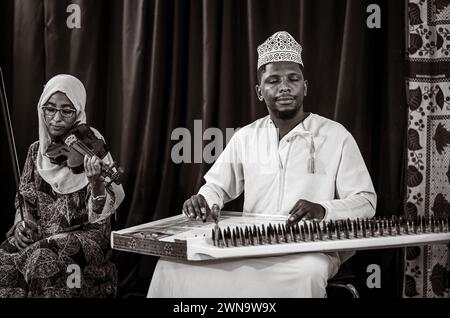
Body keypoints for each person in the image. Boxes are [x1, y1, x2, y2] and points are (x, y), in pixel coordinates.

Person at [147, 31, 376, 298]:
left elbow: (366, 201)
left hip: (311, 248)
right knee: (172, 266)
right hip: (251, 243)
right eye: (273, 80)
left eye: (293, 79)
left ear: (305, 86)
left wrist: (323, 210)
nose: (284, 87)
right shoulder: (246, 136)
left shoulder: (335, 135)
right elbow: (217, 187)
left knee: (307, 275)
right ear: (259, 91)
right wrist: (203, 200)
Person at [0, 74, 124, 297]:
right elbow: (25, 200)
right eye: (50, 109)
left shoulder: (92, 144)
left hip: (87, 239)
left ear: (78, 111)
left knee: (42, 255)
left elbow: (100, 215)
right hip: (44, 236)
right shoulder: (36, 150)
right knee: (4, 257)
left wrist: (96, 183)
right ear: (42, 110)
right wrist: (22, 225)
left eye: (66, 111)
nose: (56, 118)